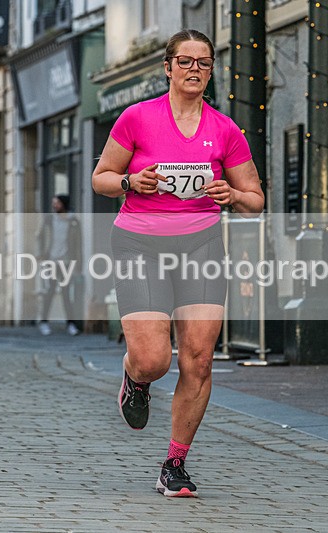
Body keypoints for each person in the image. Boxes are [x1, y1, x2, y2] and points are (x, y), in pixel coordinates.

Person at [91, 29, 264, 497]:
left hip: (201, 246)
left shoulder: (224, 129)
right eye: (185, 61)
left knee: (200, 360)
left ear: (211, 71)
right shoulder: (137, 118)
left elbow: (255, 198)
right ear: (167, 67)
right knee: (153, 360)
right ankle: (135, 376)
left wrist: (232, 194)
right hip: (138, 245)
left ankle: (175, 463)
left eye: (203, 63)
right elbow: (100, 178)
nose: (193, 70)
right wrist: (131, 182)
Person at [36, 194, 81, 336]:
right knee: (49, 292)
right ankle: (43, 322)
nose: (54, 205)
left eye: (57, 203)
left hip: (66, 262)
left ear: (64, 204)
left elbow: (78, 245)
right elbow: (40, 237)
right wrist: (41, 254)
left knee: (66, 293)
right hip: (51, 261)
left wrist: (78, 263)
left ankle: (71, 324)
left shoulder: (73, 221)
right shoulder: (49, 220)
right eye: (53, 203)